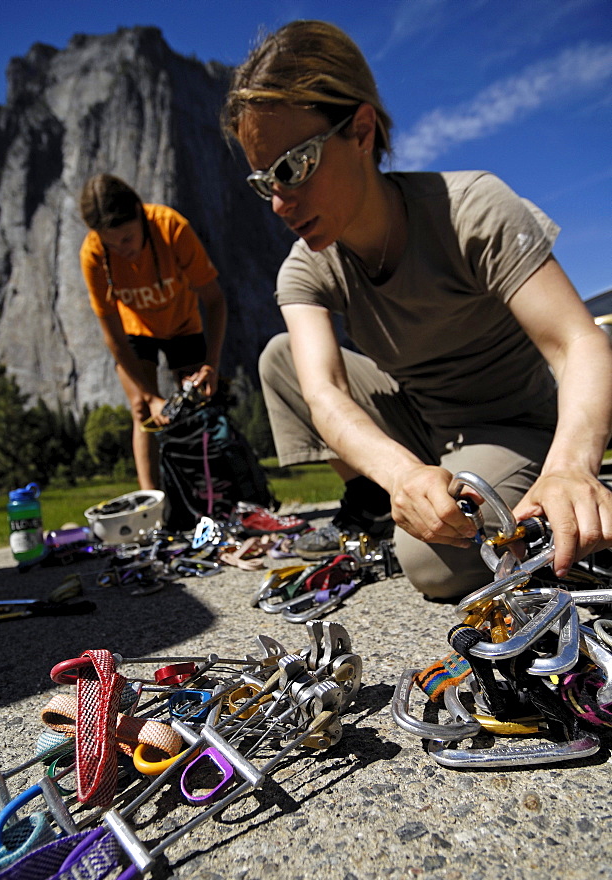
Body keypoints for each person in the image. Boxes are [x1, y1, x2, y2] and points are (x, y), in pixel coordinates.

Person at [221, 19, 612, 599]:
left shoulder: (472, 208)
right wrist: (399, 473)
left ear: (360, 129)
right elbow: (323, 392)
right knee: (282, 357)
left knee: (432, 565)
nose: (280, 202)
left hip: (513, 425)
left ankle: (557, 496)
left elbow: (577, 342)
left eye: (292, 167)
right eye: (264, 182)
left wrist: (572, 466)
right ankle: (379, 499)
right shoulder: (306, 267)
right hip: (421, 425)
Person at [79, 174, 227, 489]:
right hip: (135, 331)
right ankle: (152, 502)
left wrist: (210, 365)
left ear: (140, 213)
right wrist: (149, 395)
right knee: (142, 411)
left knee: (197, 405)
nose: (123, 250)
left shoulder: (171, 227)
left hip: (183, 323)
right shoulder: (92, 254)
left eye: (129, 238)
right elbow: (114, 338)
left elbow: (215, 301)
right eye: (112, 243)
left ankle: (209, 493)